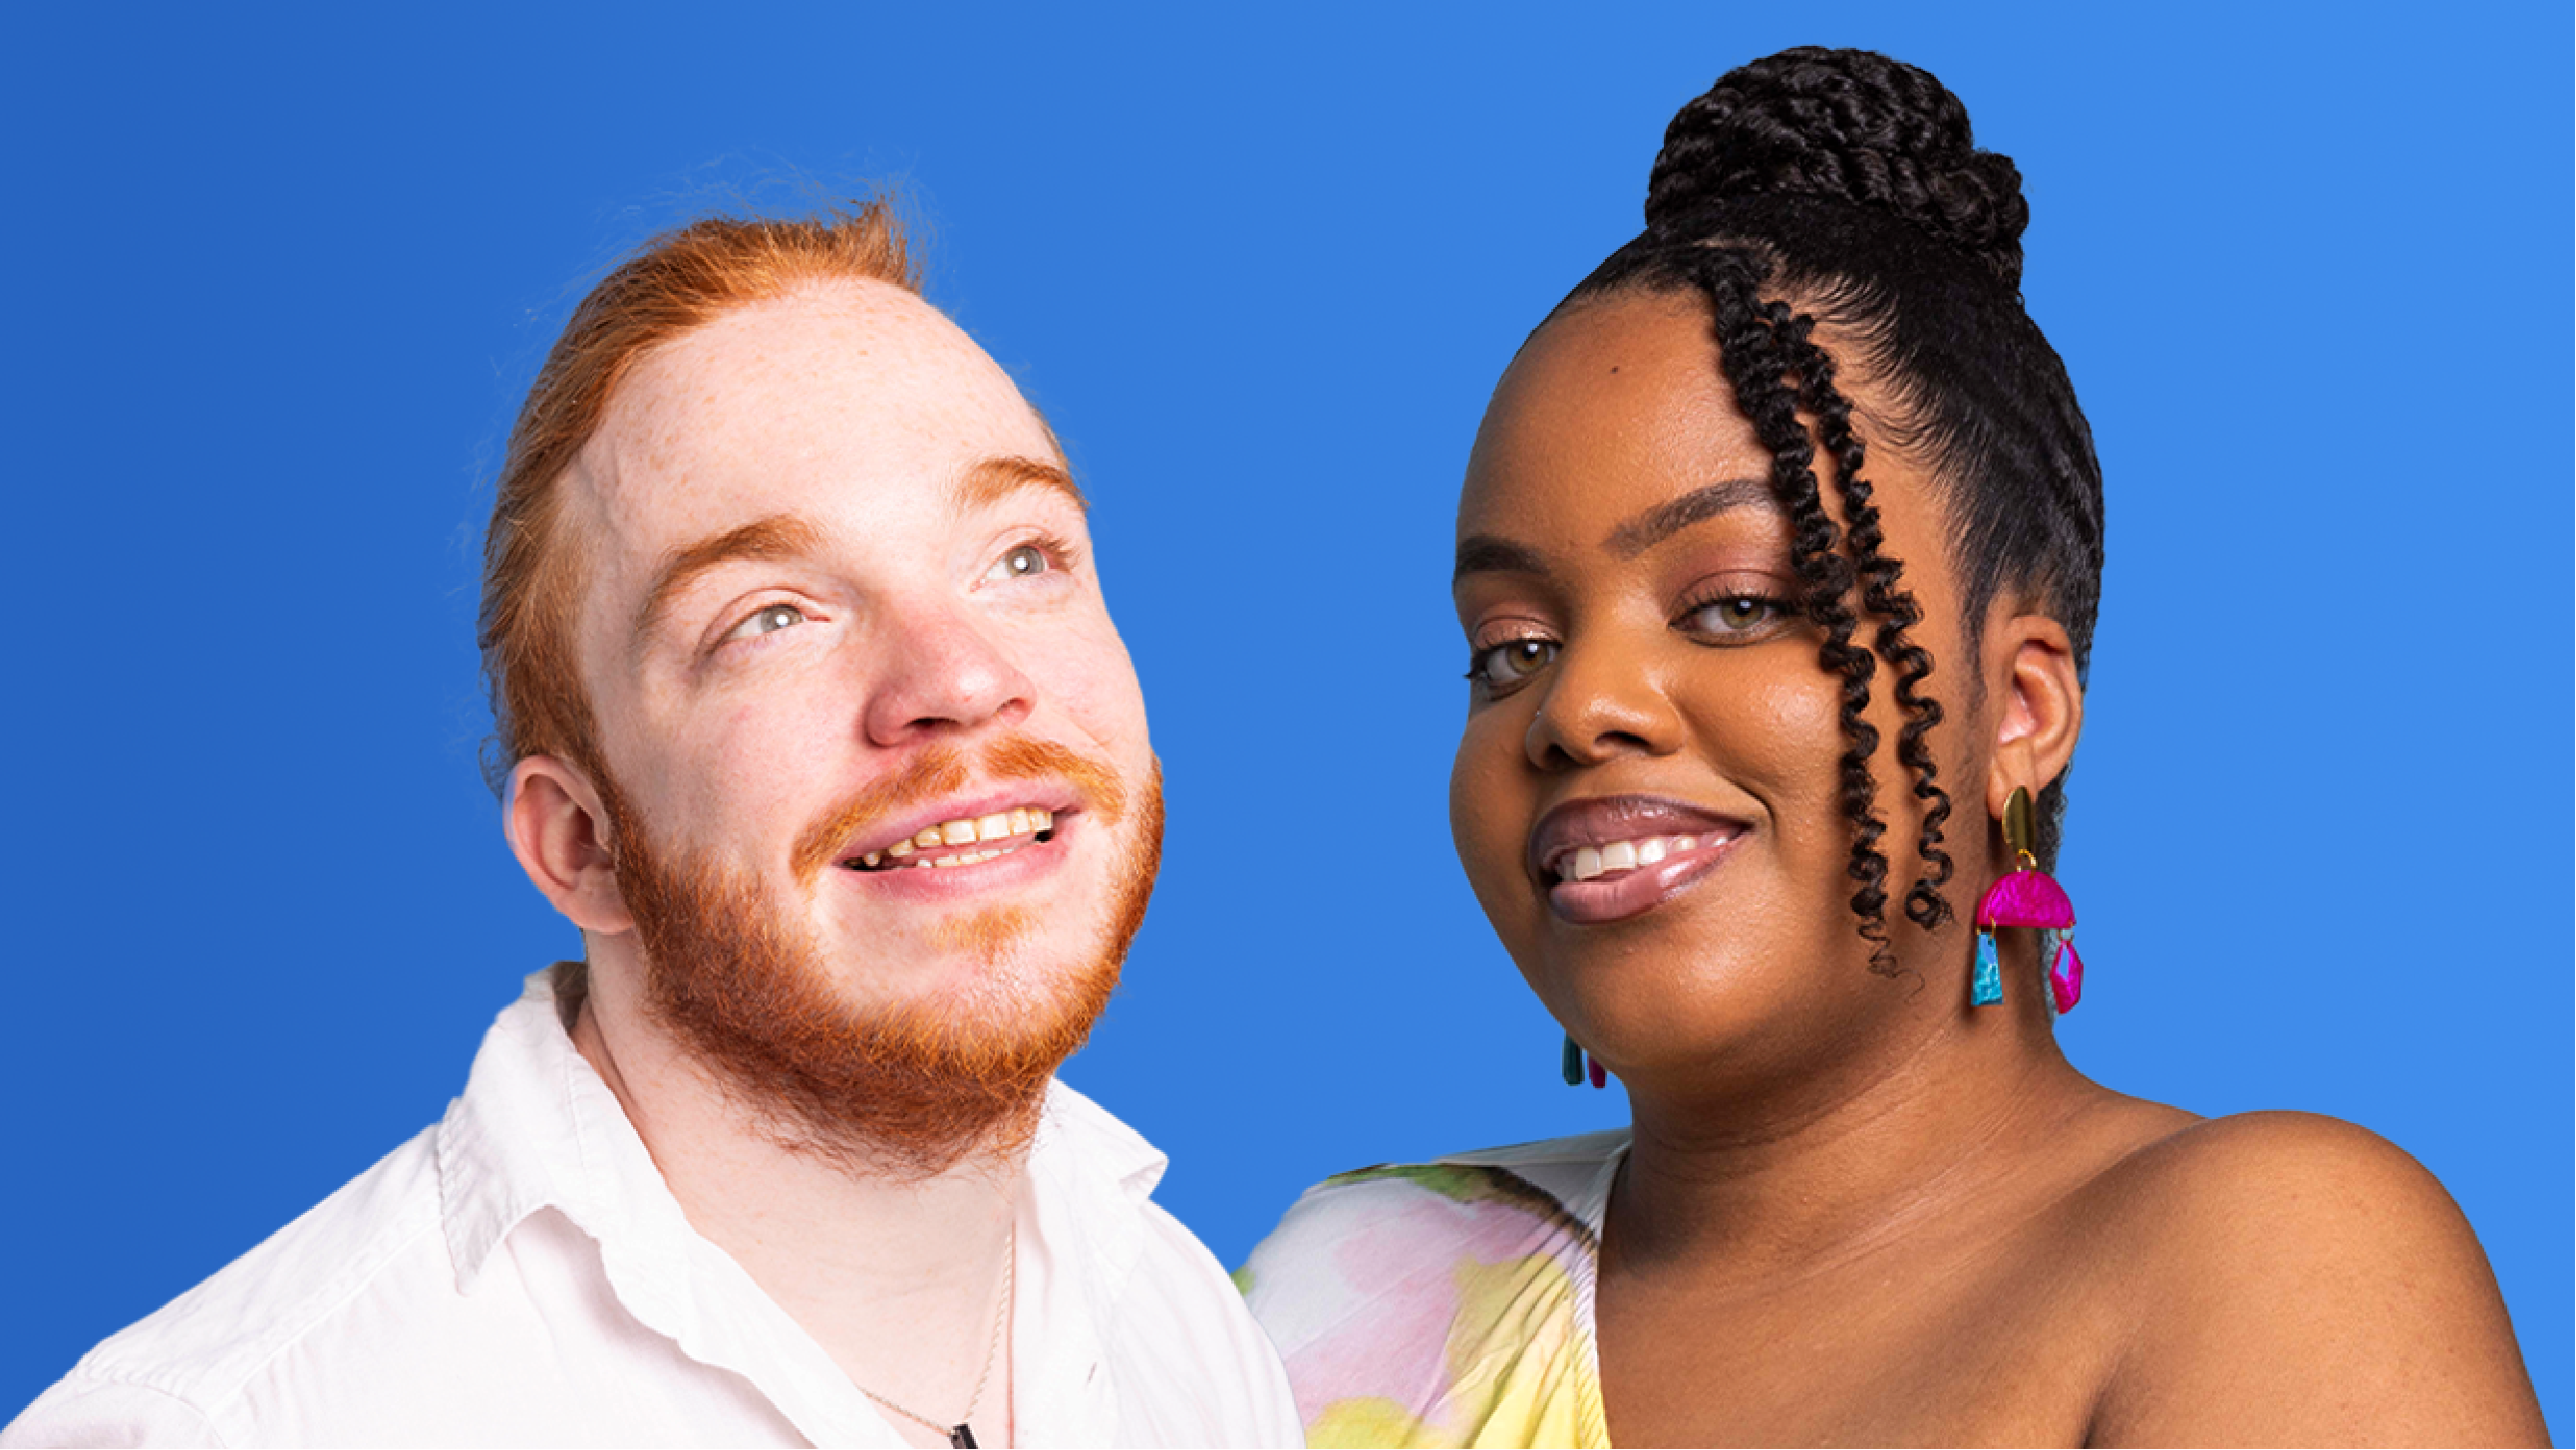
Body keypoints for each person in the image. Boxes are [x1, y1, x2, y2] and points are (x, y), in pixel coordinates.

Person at [1238, 47, 2547, 1448]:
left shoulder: (2265, 1250)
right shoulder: (1352, 1276)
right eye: (1511, 646)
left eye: (1737, 603)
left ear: (2022, 712)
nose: (1575, 706)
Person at [7, 203, 1300, 1448]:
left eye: (1021, 554)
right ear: (580, 841)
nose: (959, 680)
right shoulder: (229, 1429)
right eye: (772, 616)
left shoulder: (1182, 1327)